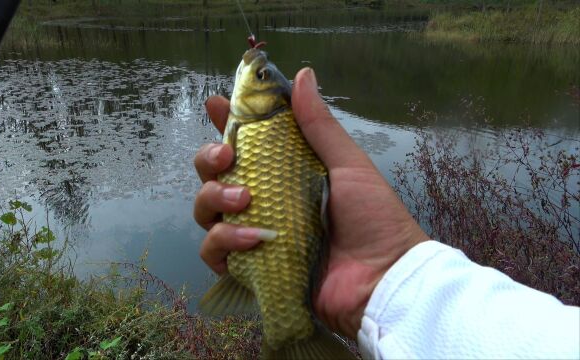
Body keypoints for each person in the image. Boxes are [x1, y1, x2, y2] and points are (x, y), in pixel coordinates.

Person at [193, 68, 580, 359]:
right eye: (261, 73)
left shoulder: (262, 124)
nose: (254, 69)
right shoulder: (256, 125)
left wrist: (389, 284)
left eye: (260, 74)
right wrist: (394, 287)